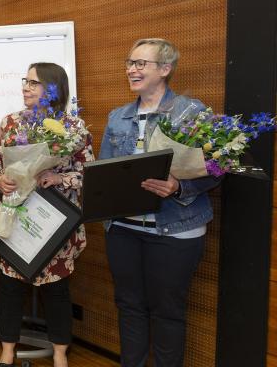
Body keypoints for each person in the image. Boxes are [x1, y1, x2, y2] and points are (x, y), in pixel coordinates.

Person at [99, 38, 221, 367]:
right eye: (129, 62)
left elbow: (220, 166)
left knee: (168, 313)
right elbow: (103, 172)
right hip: (122, 228)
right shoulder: (117, 116)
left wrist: (180, 185)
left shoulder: (191, 112)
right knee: (129, 306)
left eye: (141, 63)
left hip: (174, 231)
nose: (131, 69)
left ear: (165, 69)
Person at [0, 63, 93, 367]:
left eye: (34, 83)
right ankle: (7, 352)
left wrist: (59, 179)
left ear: (53, 89)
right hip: (15, 218)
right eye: (25, 81)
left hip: (53, 223)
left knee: (56, 291)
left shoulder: (73, 128)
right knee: (9, 288)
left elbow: (88, 174)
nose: (26, 87)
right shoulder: (9, 124)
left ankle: (60, 355)